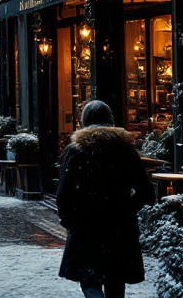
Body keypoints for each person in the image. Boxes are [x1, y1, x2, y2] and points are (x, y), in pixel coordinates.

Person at [56, 100, 156, 298]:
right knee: (115, 282)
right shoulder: (125, 151)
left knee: (89, 280)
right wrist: (126, 209)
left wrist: (70, 220)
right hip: (120, 228)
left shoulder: (77, 151)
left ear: (84, 121)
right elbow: (146, 192)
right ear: (111, 120)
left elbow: (64, 192)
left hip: (86, 226)